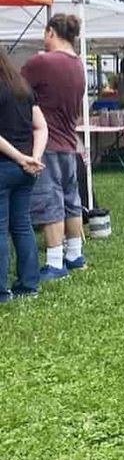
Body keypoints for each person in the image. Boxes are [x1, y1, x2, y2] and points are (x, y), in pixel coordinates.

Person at [22, 13, 88, 280]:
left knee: (50, 203)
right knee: (71, 201)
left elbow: (15, 87)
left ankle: (54, 262)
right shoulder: (79, 65)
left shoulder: (42, 62)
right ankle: (75, 254)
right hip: (70, 143)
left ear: (51, 32)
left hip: (46, 143)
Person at [0, 50, 48, 301]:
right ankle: (29, 285)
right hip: (26, 170)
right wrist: (34, 157)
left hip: (6, 165)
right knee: (22, 225)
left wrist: (19, 157)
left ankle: (1, 291)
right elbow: (40, 126)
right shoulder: (23, 88)